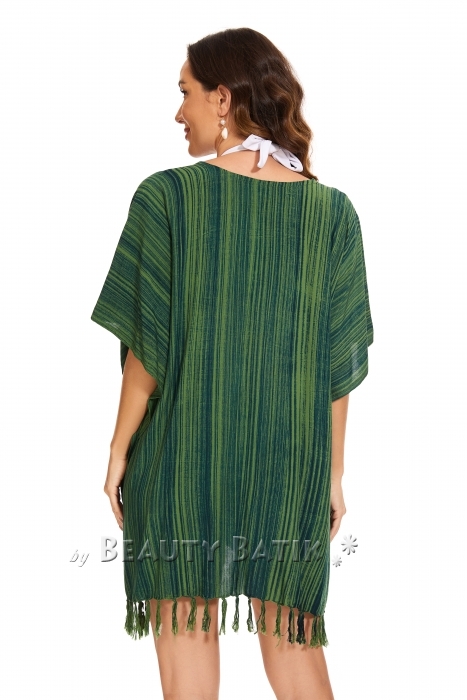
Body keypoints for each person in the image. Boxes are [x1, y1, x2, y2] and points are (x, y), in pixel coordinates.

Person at [91, 27, 374, 700]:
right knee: (296, 658)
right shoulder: (331, 214)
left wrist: (118, 451)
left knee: (187, 659)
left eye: (185, 92)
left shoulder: (166, 198)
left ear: (222, 99)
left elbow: (147, 352)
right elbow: (336, 365)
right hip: (288, 472)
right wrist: (331, 475)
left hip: (182, 462)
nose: (178, 111)